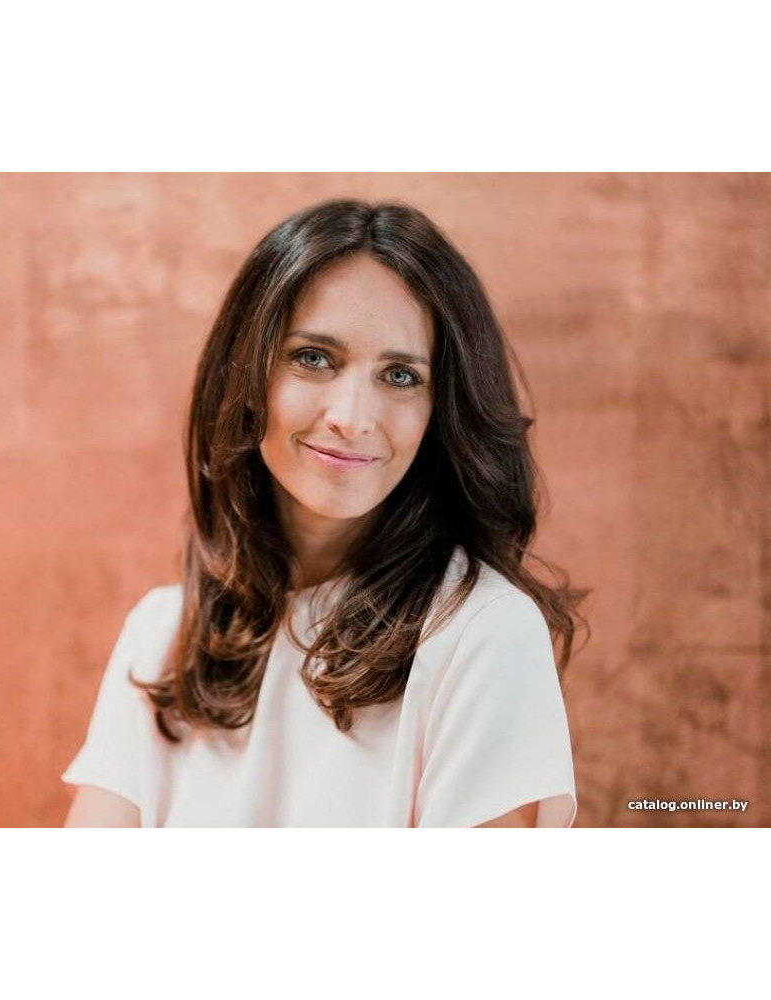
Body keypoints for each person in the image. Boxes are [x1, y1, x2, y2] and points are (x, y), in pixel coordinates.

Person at [62, 198, 589, 827]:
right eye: (313, 357)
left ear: (441, 410)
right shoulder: (162, 633)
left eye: (400, 376)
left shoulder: (483, 635)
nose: (352, 417)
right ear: (246, 373)